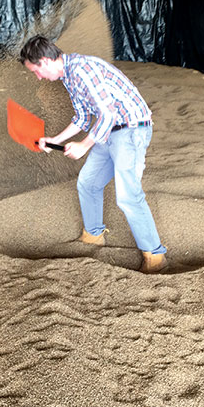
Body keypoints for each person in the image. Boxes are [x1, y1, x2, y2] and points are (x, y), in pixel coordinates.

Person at [19, 35, 168, 274]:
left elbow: (107, 115)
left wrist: (84, 145)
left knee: (128, 196)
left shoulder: (82, 69)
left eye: (36, 71)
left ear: (45, 61)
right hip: (109, 132)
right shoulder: (68, 75)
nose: (38, 77)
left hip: (131, 129)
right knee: (88, 183)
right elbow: (82, 118)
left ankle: (155, 255)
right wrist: (54, 140)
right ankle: (93, 236)